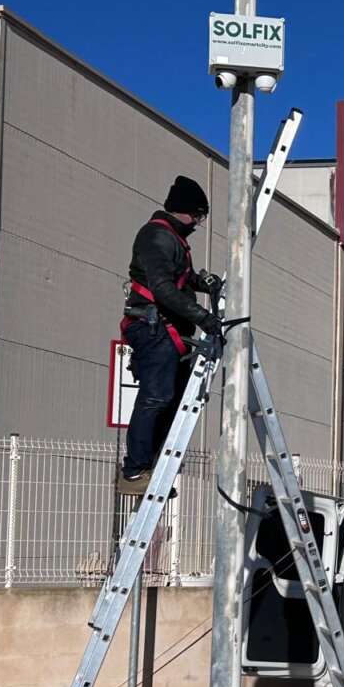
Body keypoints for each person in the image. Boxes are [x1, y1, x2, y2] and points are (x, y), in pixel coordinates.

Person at [117, 176, 222, 495]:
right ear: (183, 210)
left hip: (164, 330)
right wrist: (203, 317)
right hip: (154, 329)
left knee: (171, 401)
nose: (198, 223)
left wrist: (201, 283)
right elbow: (162, 287)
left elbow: (178, 277)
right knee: (156, 398)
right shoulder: (158, 236)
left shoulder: (170, 238)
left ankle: (150, 468)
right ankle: (135, 471)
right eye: (198, 216)